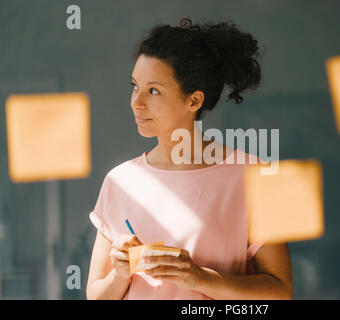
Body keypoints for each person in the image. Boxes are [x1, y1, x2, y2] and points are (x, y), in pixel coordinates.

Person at [86, 17, 292, 300]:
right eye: (135, 86)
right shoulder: (119, 182)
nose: (137, 101)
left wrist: (199, 278)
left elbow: (279, 292)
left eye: (153, 90)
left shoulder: (253, 175)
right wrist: (118, 274)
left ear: (193, 101)